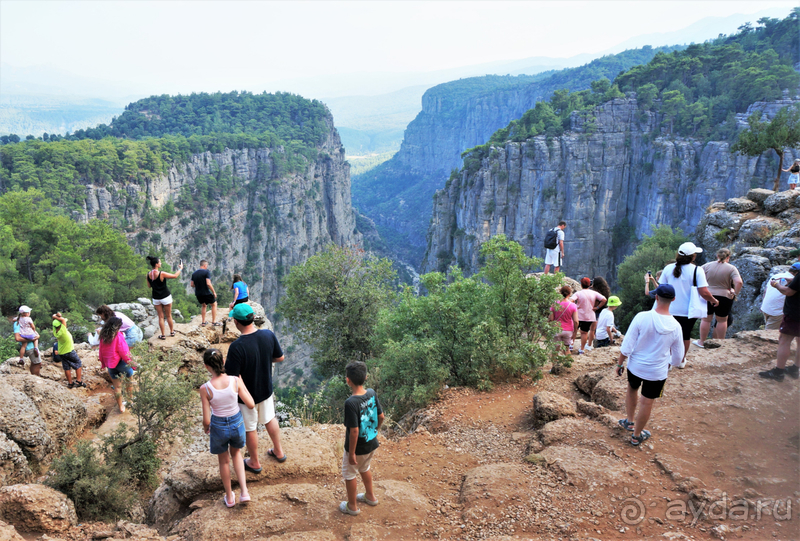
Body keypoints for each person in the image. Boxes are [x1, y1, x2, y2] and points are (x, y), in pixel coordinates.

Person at [616, 284, 684, 446]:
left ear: (656, 297)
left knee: (632, 389)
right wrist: (668, 364)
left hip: (636, 366)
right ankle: (636, 436)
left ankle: (629, 421)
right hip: (657, 372)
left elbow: (627, 345)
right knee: (647, 402)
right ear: (673, 299)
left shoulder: (642, 317)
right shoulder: (676, 327)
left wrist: (619, 364)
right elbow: (678, 358)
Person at [224, 303, 285, 474]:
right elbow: (280, 357)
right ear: (253, 318)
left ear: (236, 322)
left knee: (250, 428)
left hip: (246, 397)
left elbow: (232, 377)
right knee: (269, 418)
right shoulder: (267, 335)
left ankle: (254, 462)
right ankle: (279, 451)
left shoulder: (237, 347)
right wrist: (264, 359)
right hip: (265, 390)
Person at [200, 348, 254, 508]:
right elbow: (250, 404)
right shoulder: (235, 381)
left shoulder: (205, 389)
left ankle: (230, 497)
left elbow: (206, 419)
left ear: (206, 367)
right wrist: (241, 383)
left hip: (218, 425)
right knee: (237, 454)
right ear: (223, 361)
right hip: (237, 422)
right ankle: (244, 492)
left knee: (224, 462)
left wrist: (206, 428)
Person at [658, 242, 718, 368]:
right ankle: (680, 360)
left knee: (668, 335)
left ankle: (666, 360)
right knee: (685, 335)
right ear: (693, 257)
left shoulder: (668, 268)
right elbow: (703, 291)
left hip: (669, 309)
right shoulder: (697, 270)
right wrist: (713, 300)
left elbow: (661, 287)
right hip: (688, 310)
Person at [340, 360, 384, 516]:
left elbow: (354, 432)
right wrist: (375, 431)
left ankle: (352, 506)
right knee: (365, 468)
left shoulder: (351, 403)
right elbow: (381, 416)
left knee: (350, 474)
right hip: (371, 442)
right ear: (366, 377)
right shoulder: (371, 393)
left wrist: (351, 453)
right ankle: (370, 497)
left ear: (348, 380)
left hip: (357, 448)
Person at [759, 261, 800, 381]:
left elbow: (788, 292)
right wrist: (793, 282)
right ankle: (795, 369)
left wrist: (776, 285)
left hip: (795, 313)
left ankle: (778, 372)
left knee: (784, 340)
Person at [696, 249, 743, 347]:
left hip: (707, 295)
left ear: (717, 255)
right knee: (722, 320)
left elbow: (696, 277)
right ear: (728, 257)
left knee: (706, 320)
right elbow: (739, 282)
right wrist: (735, 293)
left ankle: (701, 342)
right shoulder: (731, 268)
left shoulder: (706, 266)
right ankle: (721, 343)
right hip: (724, 296)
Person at [98, 317, 135, 413]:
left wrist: (103, 364)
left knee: (117, 387)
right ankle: (130, 400)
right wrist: (133, 365)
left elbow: (101, 352)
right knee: (129, 382)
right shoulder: (118, 336)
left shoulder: (103, 337)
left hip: (111, 366)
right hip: (121, 363)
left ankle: (120, 406)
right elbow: (124, 352)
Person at [146, 256, 183, 340]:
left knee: (161, 316)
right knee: (169, 315)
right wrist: (180, 269)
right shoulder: (161, 273)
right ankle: (172, 332)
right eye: (159, 262)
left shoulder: (148, 274)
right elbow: (175, 276)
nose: (161, 263)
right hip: (165, 296)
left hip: (156, 298)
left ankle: (163, 335)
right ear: (156, 264)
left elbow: (149, 286)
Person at [570, 277, 606, 354]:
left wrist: (575, 306)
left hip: (578, 315)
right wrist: (597, 307)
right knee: (584, 333)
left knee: (574, 330)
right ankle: (582, 349)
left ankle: (571, 345)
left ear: (581, 285)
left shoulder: (578, 293)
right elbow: (604, 299)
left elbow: (571, 300)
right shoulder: (594, 293)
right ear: (589, 285)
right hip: (589, 317)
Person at [52, 313, 84, 388]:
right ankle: (79, 381)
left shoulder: (55, 331)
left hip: (62, 352)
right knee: (78, 363)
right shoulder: (63, 331)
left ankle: (70, 383)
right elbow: (62, 320)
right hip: (69, 350)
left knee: (66, 367)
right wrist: (55, 316)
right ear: (61, 325)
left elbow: (57, 321)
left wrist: (56, 316)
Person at [549, 286, 579, 353]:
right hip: (568, 330)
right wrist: (575, 331)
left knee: (555, 350)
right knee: (566, 349)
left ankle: (555, 363)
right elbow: (576, 321)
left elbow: (551, 319)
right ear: (569, 294)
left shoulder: (554, 304)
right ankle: (567, 363)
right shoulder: (573, 305)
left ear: (560, 293)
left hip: (557, 329)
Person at [191, 260, 220, 327]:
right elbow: (208, 283)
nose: (207, 267)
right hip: (206, 292)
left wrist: (199, 285)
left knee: (204, 305)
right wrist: (214, 292)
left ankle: (203, 322)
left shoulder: (194, 273)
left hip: (198, 293)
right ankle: (214, 322)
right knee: (214, 304)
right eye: (206, 265)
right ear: (204, 265)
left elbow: (192, 284)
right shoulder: (206, 272)